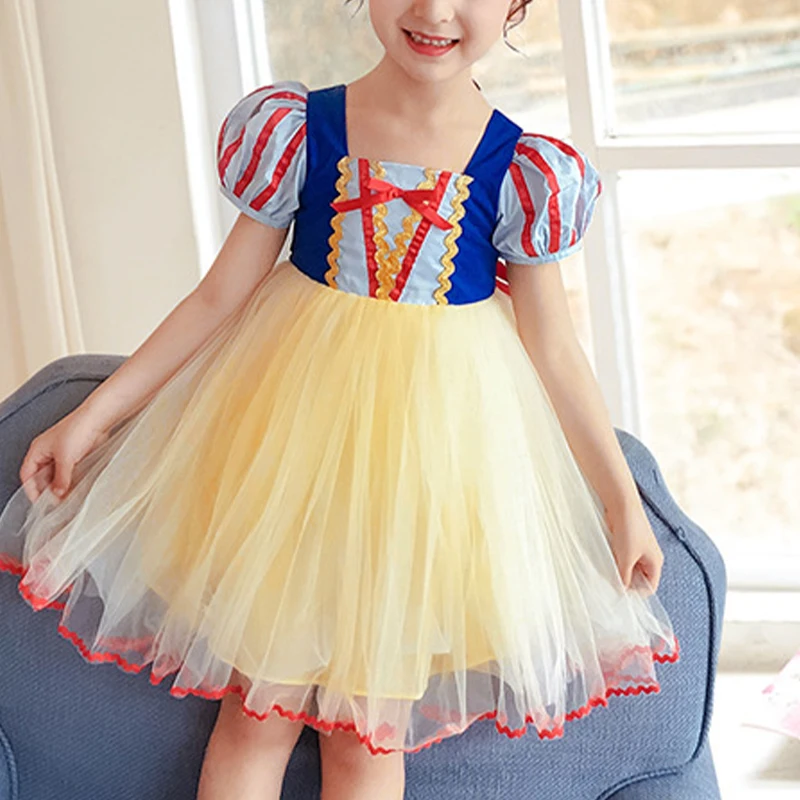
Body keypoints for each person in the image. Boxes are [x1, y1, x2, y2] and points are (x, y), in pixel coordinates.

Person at [0, 0, 681, 798]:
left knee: (365, 737)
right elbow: (218, 297)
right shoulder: (300, 131)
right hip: (291, 456)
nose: (433, 10)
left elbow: (555, 349)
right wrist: (93, 417)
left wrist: (619, 503)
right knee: (256, 719)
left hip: (426, 481)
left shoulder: (521, 171)